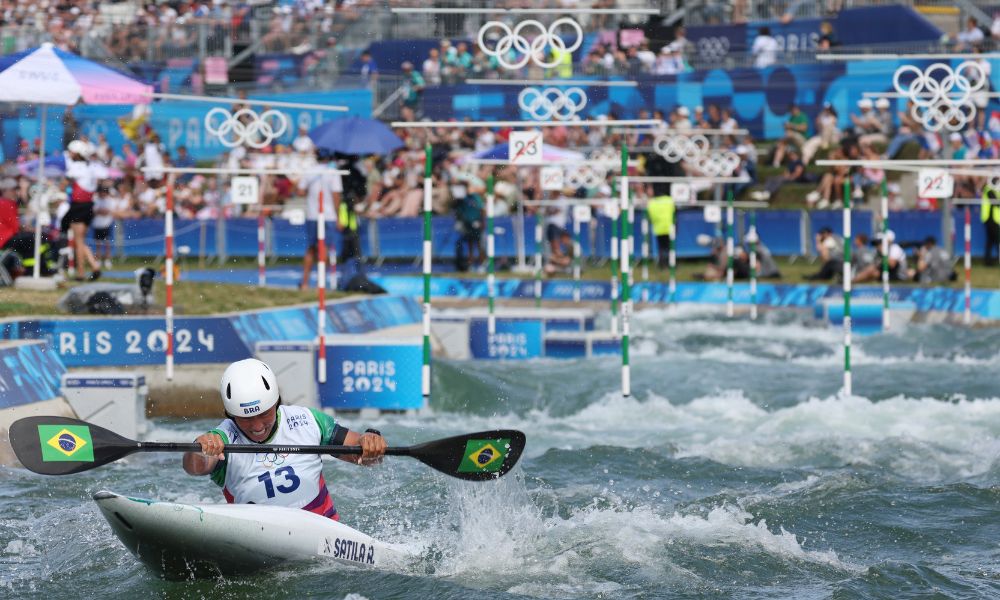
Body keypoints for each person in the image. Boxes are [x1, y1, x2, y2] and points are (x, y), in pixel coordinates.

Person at [182, 358, 387, 520]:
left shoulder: (309, 420)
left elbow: (366, 458)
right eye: (245, 418)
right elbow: (194, 468)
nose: (257, 426)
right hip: (259, 537)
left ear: (277, 402)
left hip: (322, 530)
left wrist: (369, 442)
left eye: (264, 414)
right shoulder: (222, 438)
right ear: (231, 415)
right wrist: (199, 449)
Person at [297, 149, 343, 290]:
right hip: (328, 216)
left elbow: (300, 191)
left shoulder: (310, 172)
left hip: (312, 215)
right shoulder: (333, 173)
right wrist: (339, 217)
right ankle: (320, 284)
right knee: (324, 249)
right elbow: (336, 197)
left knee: (311, 249)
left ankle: (305, 283)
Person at [646, 189, 675, 270]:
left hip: (658, 228)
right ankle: (670, 264)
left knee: (661, 248)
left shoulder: (652, 203)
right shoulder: (669, 200)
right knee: (669, 247)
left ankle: (662, 264)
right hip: (668, 227)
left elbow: (650, 215)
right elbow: (674, 211)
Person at [982, 184, 1000, 266]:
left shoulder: (995, 190)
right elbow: (996, 202)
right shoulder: (989, 189)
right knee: (996, 240)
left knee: (991, 241)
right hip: (991, 220)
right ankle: (988, 261)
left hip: (994, 220)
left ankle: (988, 261)